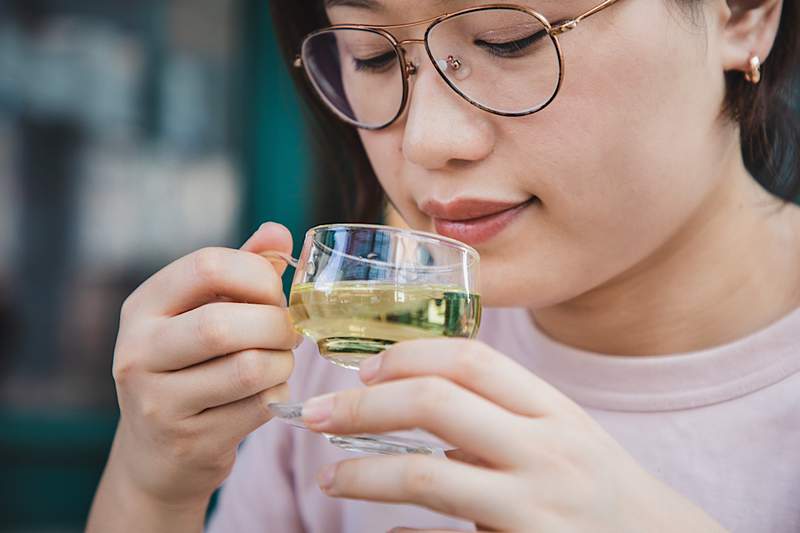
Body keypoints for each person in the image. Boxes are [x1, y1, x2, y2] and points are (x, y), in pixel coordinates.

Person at [87, 0, 800, 531]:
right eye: (369, 56)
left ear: (741, 14)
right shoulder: (352, 346)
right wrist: (155, 487)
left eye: (509, 40)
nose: (428, 140)